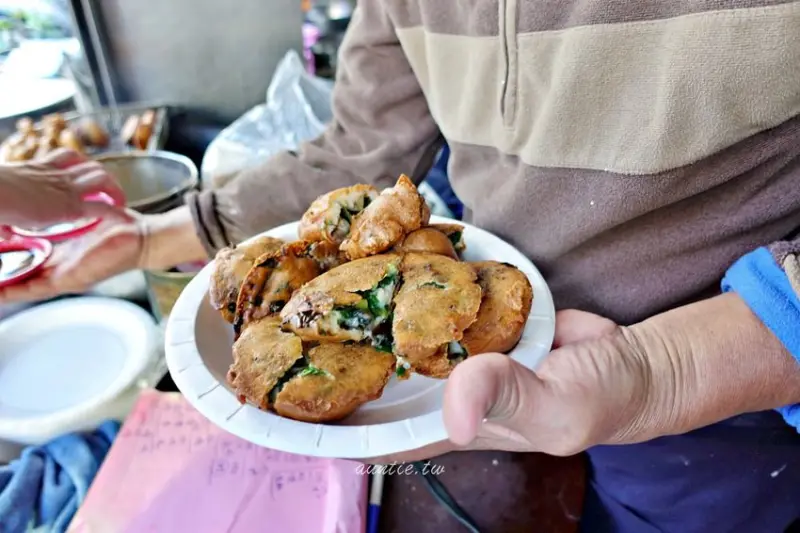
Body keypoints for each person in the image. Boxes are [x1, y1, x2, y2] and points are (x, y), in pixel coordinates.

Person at [3, 2, 800, 531]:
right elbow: (361, 151)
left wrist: (663, 371)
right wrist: (155, 236)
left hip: (729, 402)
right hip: (483, 376)